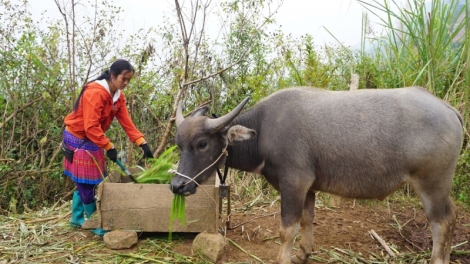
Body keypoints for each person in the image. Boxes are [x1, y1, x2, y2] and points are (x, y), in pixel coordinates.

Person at [63, 59, 154, 236]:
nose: (126, 83)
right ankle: (95, 223)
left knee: (91, 180)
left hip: (94, 139)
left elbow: (126, 122)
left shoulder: (118, 96)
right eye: (124, 79)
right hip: (78, 137)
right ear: (112, 75)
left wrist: (141, 142)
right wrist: (108, 145)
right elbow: (90, 126)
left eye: (129, 80)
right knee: (87, 182)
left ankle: (76, 218)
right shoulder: (96, 92)